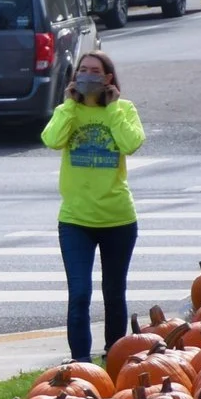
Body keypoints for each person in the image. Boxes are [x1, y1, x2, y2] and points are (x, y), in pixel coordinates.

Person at [43, 51, 144, 364]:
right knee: (80, 294)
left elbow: (131, 143)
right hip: (76, 220)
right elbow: (51, 140)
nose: (87, 75)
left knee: (114, 294)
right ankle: (81, 364)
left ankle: (115, 359)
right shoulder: (67, 110)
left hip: (118, 218)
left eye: (95, 71)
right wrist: (71, 105)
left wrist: (112, 109)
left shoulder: (124, 109)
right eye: (82, 71)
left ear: (108, 78)